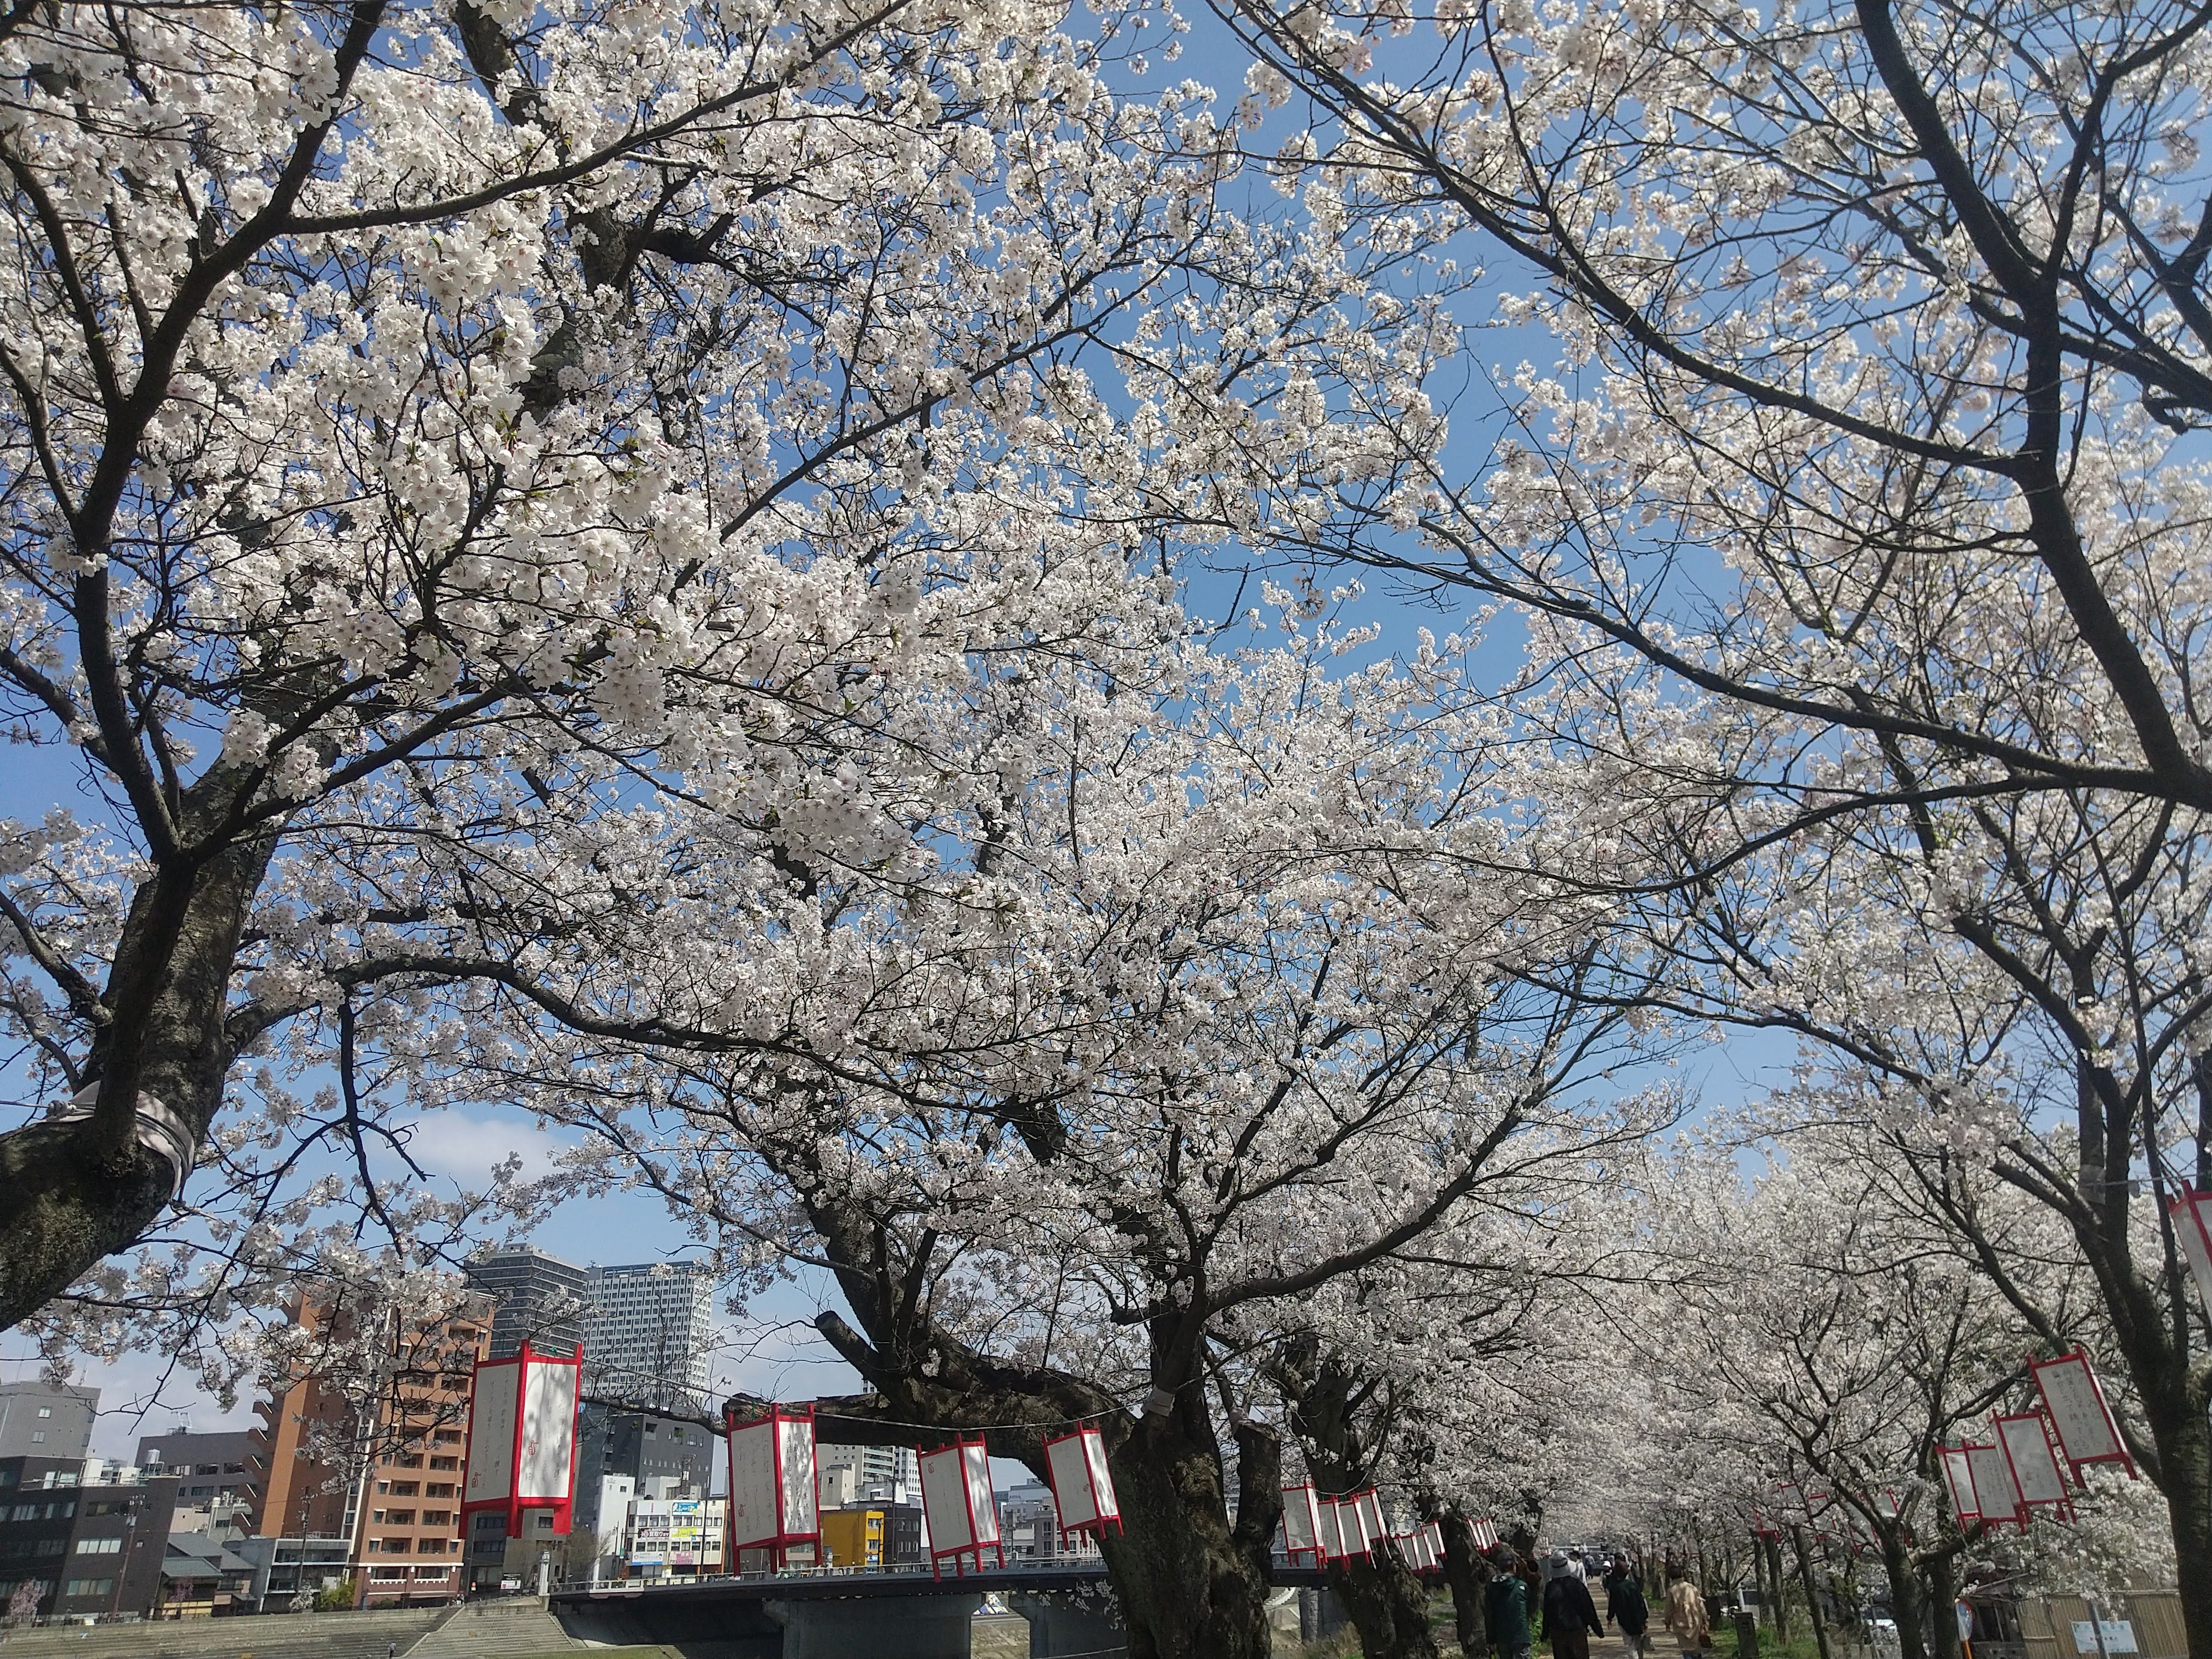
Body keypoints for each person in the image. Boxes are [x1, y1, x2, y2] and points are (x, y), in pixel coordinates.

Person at [1542, 1566, 1606, 1659]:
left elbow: (1547, 1612)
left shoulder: (1550, 1587)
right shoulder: (1577, 1584)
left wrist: (1545, 1633)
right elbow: (1588, 1608)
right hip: (1577, 1629)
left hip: (1558, 1632)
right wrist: (1597, 1629)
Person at [1486, 1547, 1535, 1659]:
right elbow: (1530, 1608)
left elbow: (1489, 1615)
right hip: (1520, 1634)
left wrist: (1491, 1640)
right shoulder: (1521, 1586)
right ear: (1514, 1567)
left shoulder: (1492, 1588)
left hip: (1501, 1635)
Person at [1606, 1561, 1651, 1659]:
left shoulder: (1615, 1588)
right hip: (1638, 1619)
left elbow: (1612, 1605)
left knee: (1629, 1644)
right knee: (1638, 1643)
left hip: (1624, 1620)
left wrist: (1610, 1618)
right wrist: (1645, 1618)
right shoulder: (1634, 1586)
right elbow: (1642, 1603)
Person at [1666, 1567, 1713, 1659]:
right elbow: (1701, 1605)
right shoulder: (1692, 1588)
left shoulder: (1672, 1591)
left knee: (1686, 1648)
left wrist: (1667, 1622)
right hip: (1696, 1621)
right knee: (1697, 1646)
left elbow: (1669, 1608)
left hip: (1681, 1623)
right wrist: (1705, 1619)